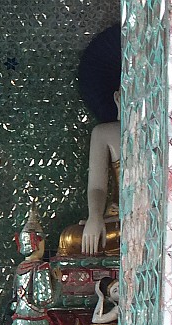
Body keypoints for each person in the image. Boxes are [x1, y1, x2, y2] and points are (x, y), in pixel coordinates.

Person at [58, 90, 121, 256]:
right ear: (117, 98)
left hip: (145, 220)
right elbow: (97, 187)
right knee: (70, 238)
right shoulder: (104, 133)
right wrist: (95, 216)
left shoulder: (161, 132)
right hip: (118, 220)